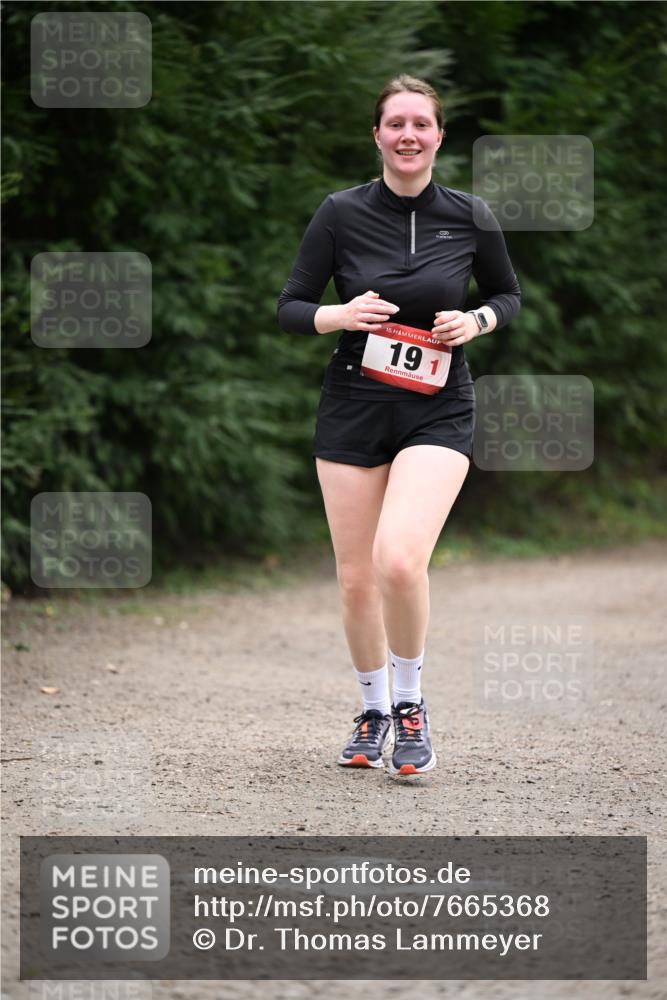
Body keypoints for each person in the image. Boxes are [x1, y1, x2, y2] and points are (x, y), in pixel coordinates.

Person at [276, 74, 520, 777]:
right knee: (355, 579)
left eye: (421, 123)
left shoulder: (470, 215)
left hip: (437, 404)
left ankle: (411, 706)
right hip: (353, 401)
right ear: (377, 135)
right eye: (395, 124)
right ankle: (371, 709)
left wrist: (475, 320)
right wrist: (339, 315)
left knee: (398, 560)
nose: (408, 134)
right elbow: (291, 305)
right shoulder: (339, 213)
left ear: (439, 135)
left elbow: (507, 294)